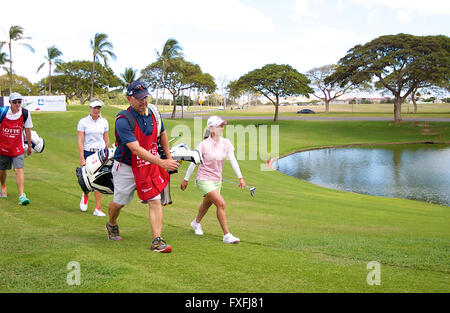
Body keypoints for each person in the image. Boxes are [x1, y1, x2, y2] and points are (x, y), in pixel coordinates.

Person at [106, 81, 179, 253]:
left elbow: (162, 133)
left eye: (145, 97)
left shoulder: (153, 112)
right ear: (129, 99)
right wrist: (162, 162)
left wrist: (168, 157)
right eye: (139, 98)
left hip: (148, 165)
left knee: (155, 200)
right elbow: (135, 149)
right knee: (119, 202)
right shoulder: (123, 119)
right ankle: (112, 223)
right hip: (126, 166)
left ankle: (157, 241)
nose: (144, 101)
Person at [180, 116, 245, 244]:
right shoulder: (203, 145)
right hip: (203, 179)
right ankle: (226, 235)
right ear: (211, 128)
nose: (222, 128)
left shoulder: (226, 143)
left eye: (222, 126)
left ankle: (196, 223)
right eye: (219, 126)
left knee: (207, 204)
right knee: (221, 204)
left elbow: (233, 160)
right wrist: (186, 179)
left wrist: (240, 177)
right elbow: (193, 163)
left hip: (217, 180)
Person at [77, 98, 110, 216]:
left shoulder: (104, 122)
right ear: (90, 108)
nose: (97, 110)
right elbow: (80, 141)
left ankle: (98, 208)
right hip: (88, 153)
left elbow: (106, 139)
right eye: (95, 108)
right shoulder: (83, 122)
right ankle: (85, 195)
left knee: (99, 180)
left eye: (99, 108)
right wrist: (82, 157)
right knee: (88, 180)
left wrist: (108, 153)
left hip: (100, 154)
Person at [0, 92, 33, 205]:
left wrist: (29, 146)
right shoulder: (3, 112)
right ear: (10, 102)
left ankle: (21, 196)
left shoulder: (25, 113)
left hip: (17, 148)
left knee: (19, 169)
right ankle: (3, 186)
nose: (17, 104)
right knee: (2, 170)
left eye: (19, 102)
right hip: (3, 147)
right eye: (15, 102)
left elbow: (27, 130)